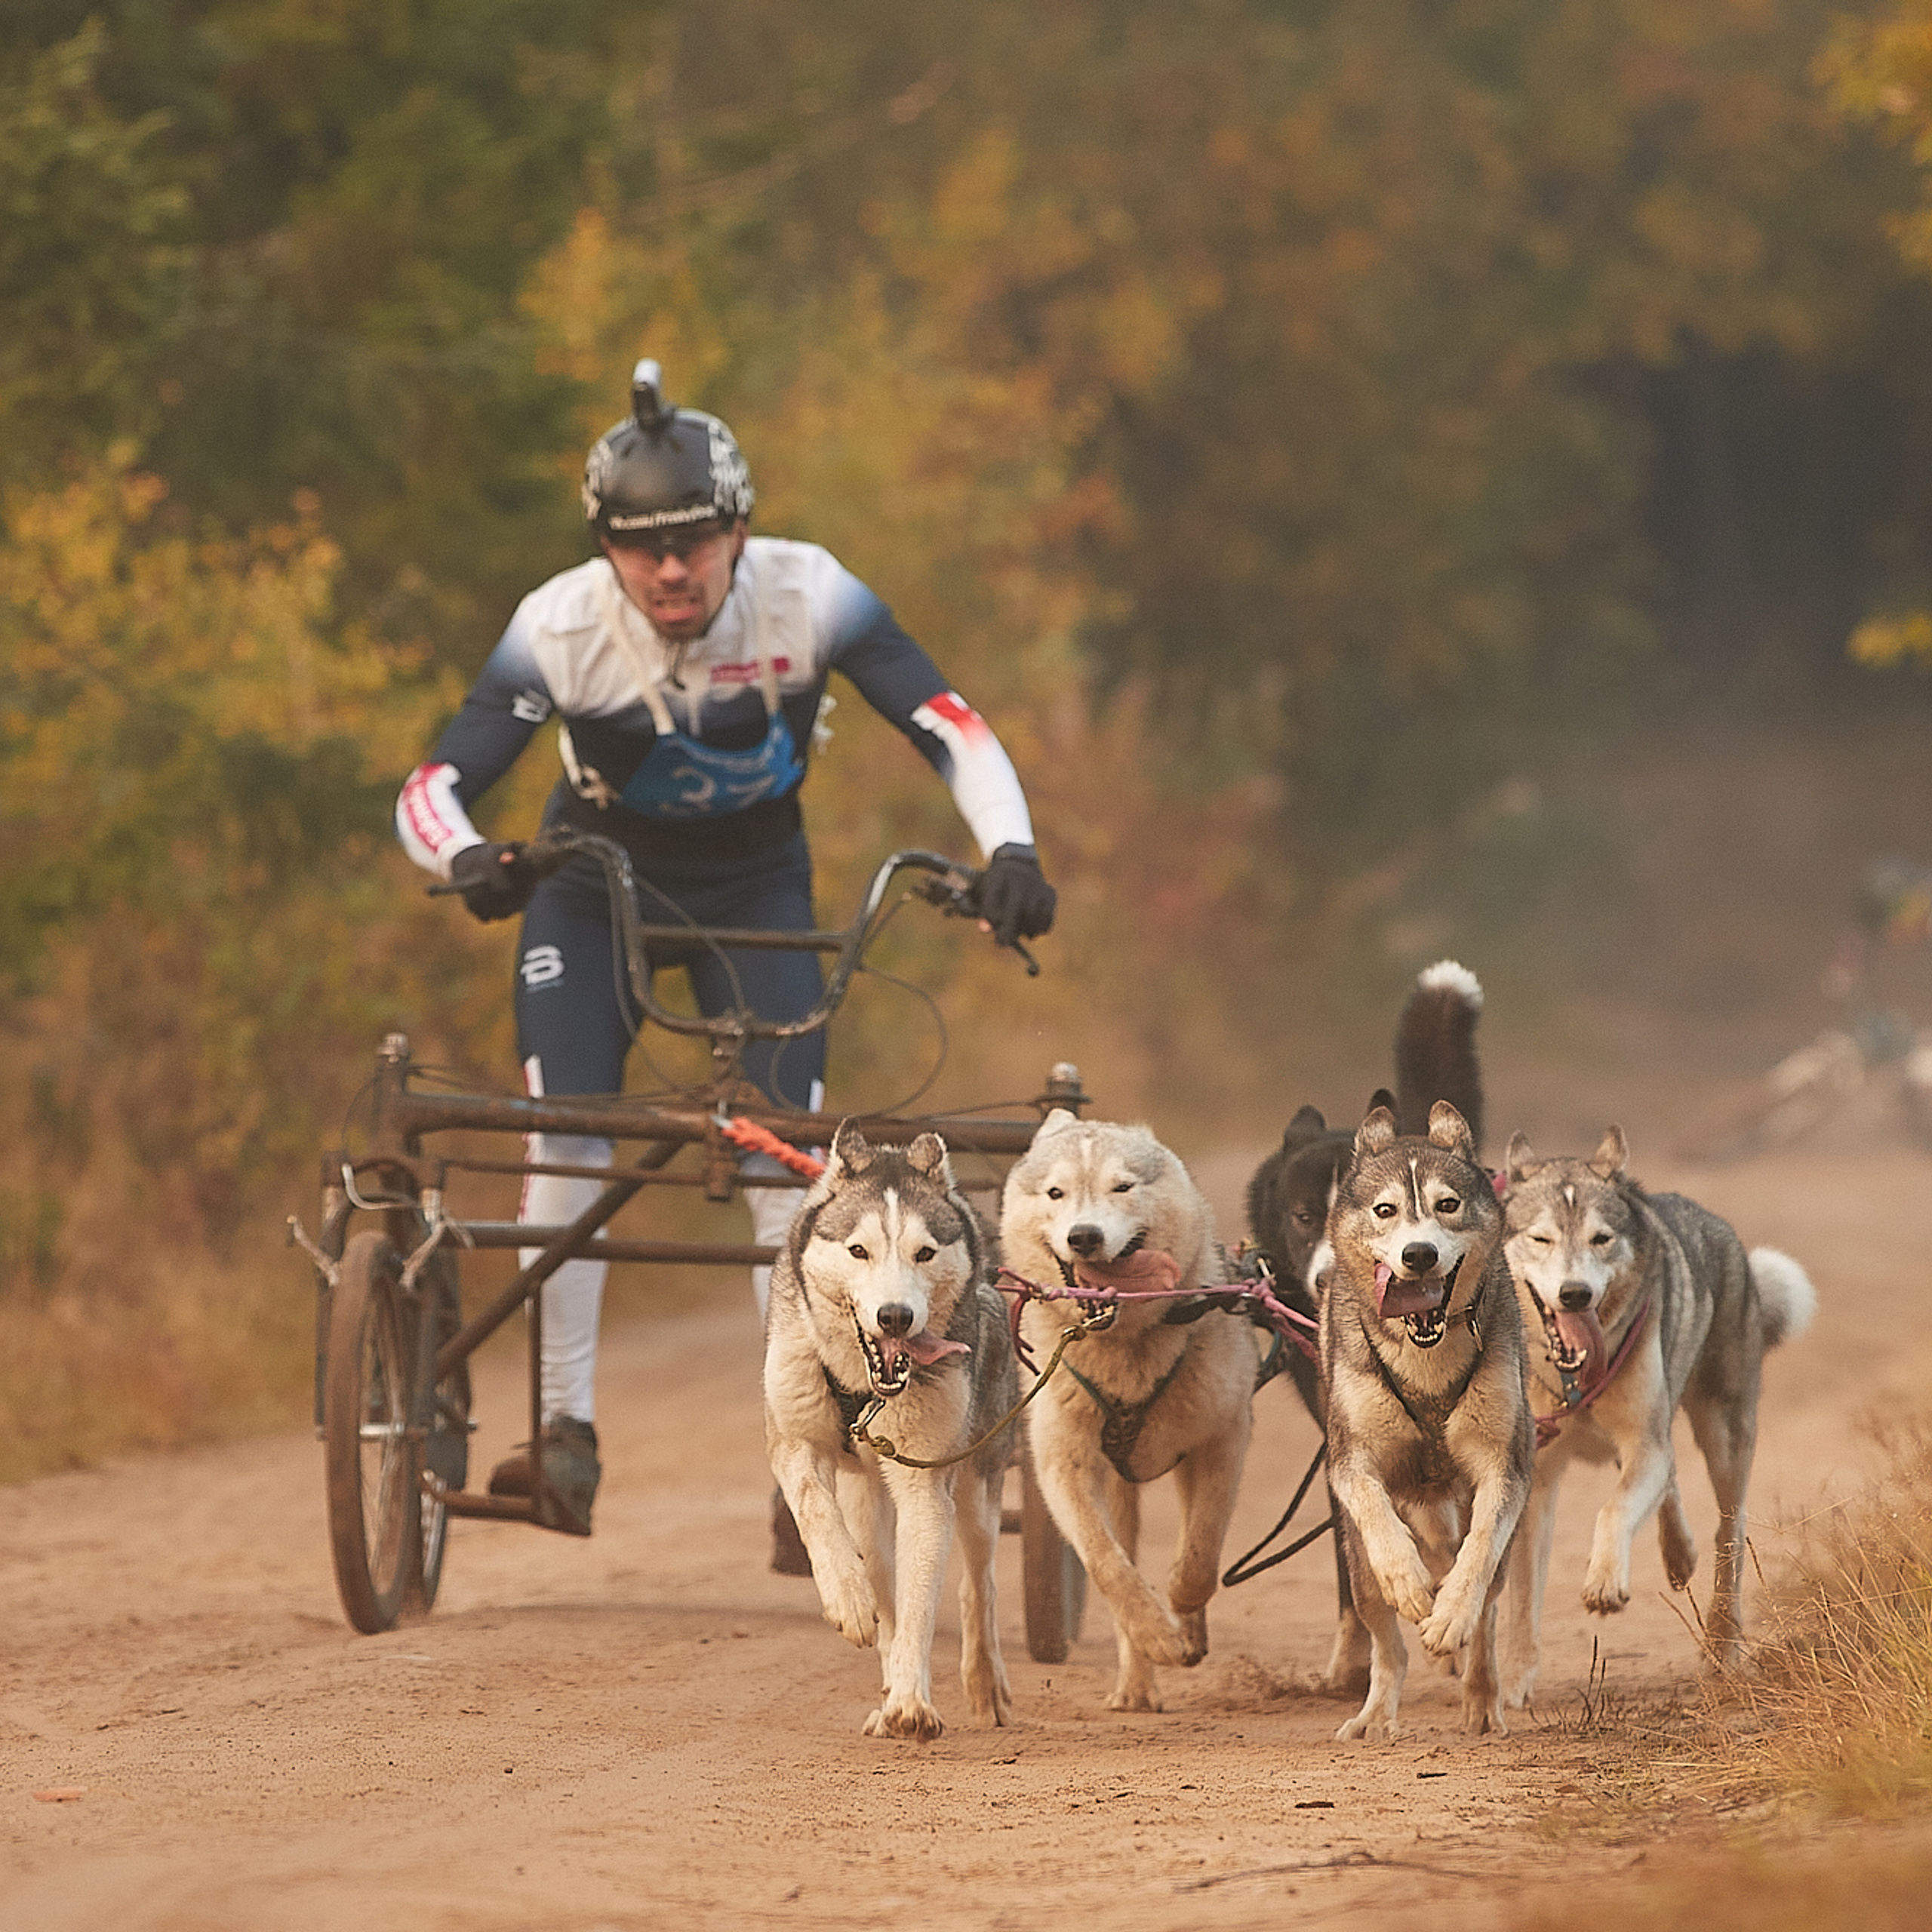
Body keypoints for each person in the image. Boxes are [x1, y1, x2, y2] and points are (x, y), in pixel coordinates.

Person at [393, 361, 1057, 1555]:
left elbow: (948, 724)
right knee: (572, 1137)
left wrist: (1008, 850)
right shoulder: (559, 626)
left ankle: (803, 1447)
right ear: (605, 548)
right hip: (594, 888)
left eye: (694, 541)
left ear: (737, 530)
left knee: (781, 1163)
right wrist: (469, 859)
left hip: (760, 884)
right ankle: (561, 1435)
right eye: (641, 548)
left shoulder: (813, 597)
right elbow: (434, 784)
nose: (671, 571)